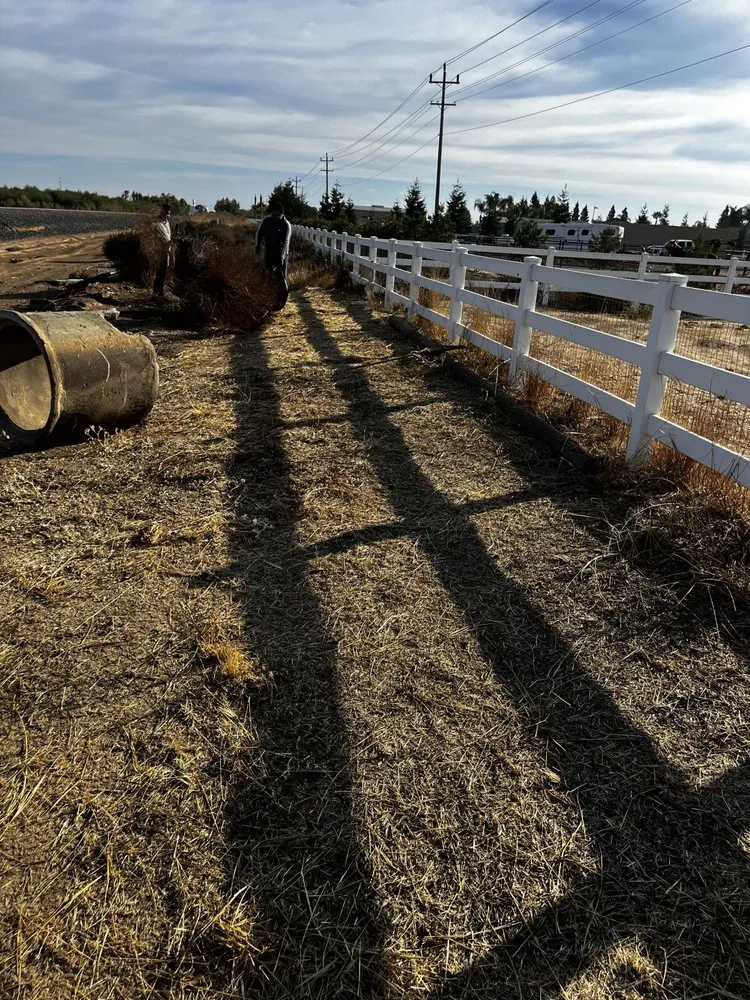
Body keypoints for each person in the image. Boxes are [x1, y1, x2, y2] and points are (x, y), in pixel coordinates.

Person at [255, 198, 292, 310]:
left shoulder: (286, 225)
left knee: (281, 277)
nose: (275, 217)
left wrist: (281, 257)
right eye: (274, 214)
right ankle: (269, 298)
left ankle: (281, 300)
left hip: (281, 253)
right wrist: (257, 245)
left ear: (282, 214)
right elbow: (259, 233)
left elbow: (286, 241)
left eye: (278, 215)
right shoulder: (267, 220)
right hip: (268, 252)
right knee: (268, 274)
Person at [153, 203, 173, 297]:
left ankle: (159, 292)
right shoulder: (158, 222)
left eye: (168, 213)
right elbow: (162, 237)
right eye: (166, 212)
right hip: (160, 250)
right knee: (160, 272)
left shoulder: (166, 222)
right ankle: (157, 293)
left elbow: (168, 235)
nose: (167, 215)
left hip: (166, 250)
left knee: (163, 272)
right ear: (162, 211)